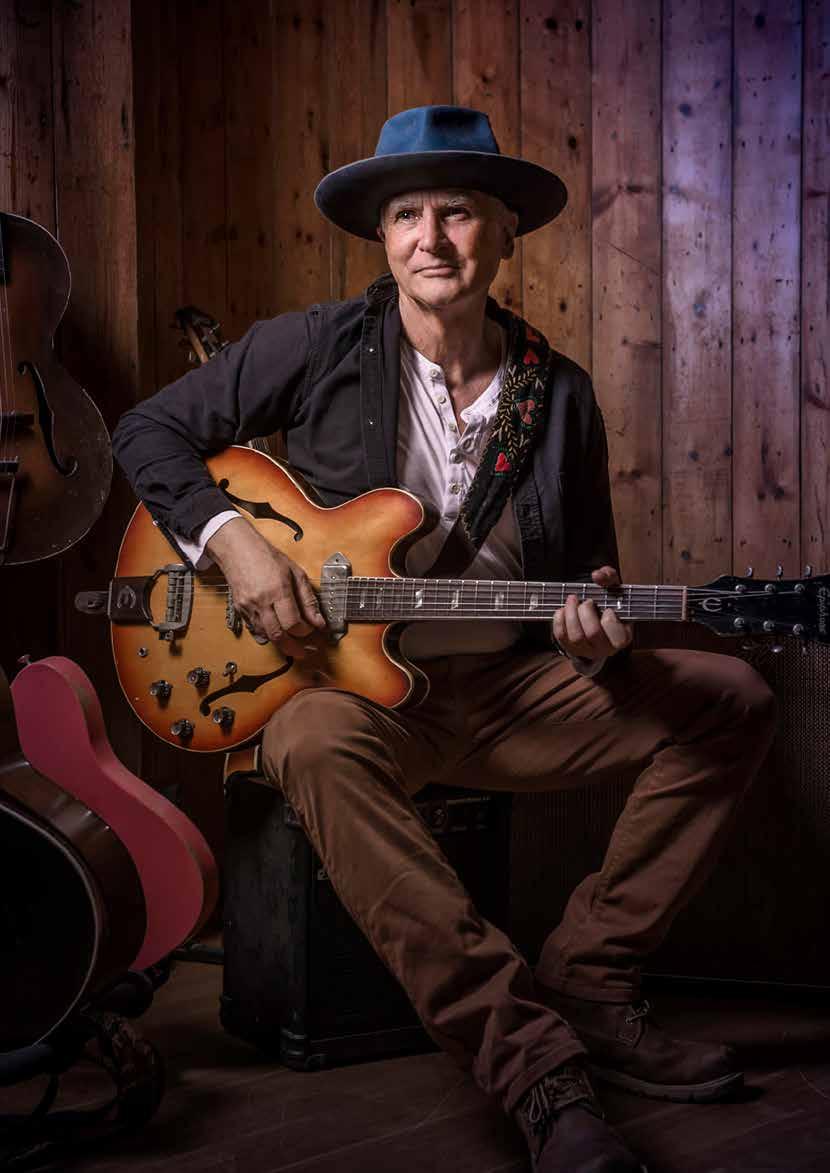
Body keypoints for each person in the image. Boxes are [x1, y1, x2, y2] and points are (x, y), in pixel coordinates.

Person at [113, 106, 777, 1173]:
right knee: (310, 740)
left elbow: (586, 580)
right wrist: (235, 544)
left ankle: (592, 978)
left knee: (730, 698)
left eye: (457, 212)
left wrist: (593, 638)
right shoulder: (315, 345)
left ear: (503, 232)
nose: (430, 238)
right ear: (382, 237)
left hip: (510, 693)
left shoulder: (559, 394)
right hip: (358, 700)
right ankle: (535, 1066)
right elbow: (145, 430)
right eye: (406, 215)